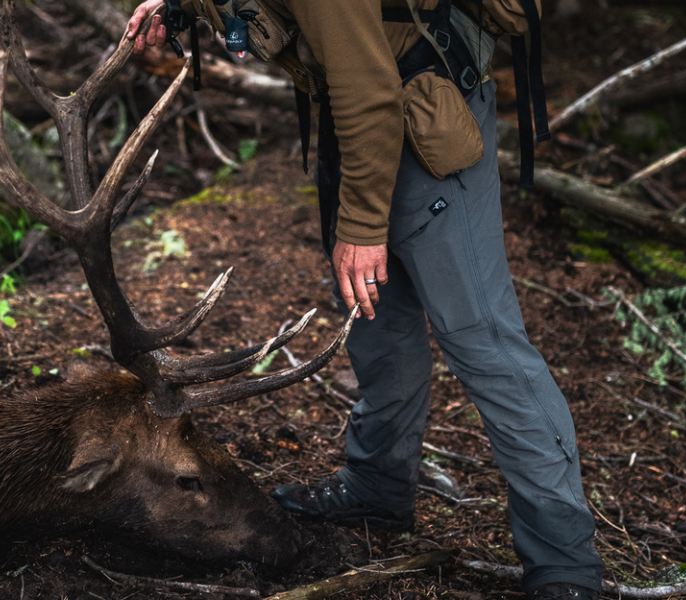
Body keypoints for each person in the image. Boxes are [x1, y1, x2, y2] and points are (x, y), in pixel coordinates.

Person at [126, 2, 604, 598]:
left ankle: (565, 566)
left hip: (420, 114)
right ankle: (377, 487)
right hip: (358, 121)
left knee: (482, 339)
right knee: (379, 325)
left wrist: (361, 227)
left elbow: (372, 93)